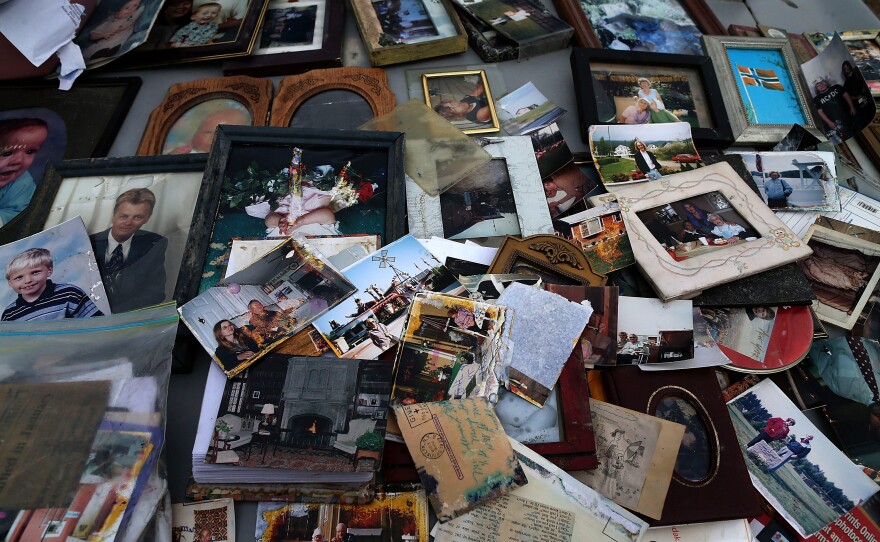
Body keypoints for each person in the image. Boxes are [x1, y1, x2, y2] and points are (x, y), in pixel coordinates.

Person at [90, 188, 167, 313]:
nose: (128, 223)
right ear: (114, 215)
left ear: (147, 218)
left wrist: (113, 315)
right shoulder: (89, 242)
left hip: (126, 321)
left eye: (137, 217)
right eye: (123, 216)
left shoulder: (154, 245)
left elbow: (155, 293)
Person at [2, 248, 103, 321]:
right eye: (19, 277)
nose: (28, 280)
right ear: (10, 283)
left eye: (35, 272)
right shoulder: (9, 314)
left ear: (49, 270)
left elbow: (98, 324)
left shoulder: (70, 294)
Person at [0, 118, 47, 226]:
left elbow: (19, 214)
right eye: (7, 153)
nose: (19, 161)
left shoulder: (23, 182)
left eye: (29, 152)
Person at [166, 107, 251, 154]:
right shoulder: (186, 153)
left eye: (227, 135)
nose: (214, 139)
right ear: (195, 134)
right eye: (208, 132)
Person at [813, 78, 857, 143]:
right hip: (836, 122)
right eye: (818, 86)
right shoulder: (816, 99)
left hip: (848, 115)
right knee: (845, 138)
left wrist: (852, 107)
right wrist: (829, 122)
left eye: (822, 83)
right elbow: (820, 112)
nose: (821, 86)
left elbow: (846, 96)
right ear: (816, 89)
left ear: (826, 83)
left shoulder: (836, 87)